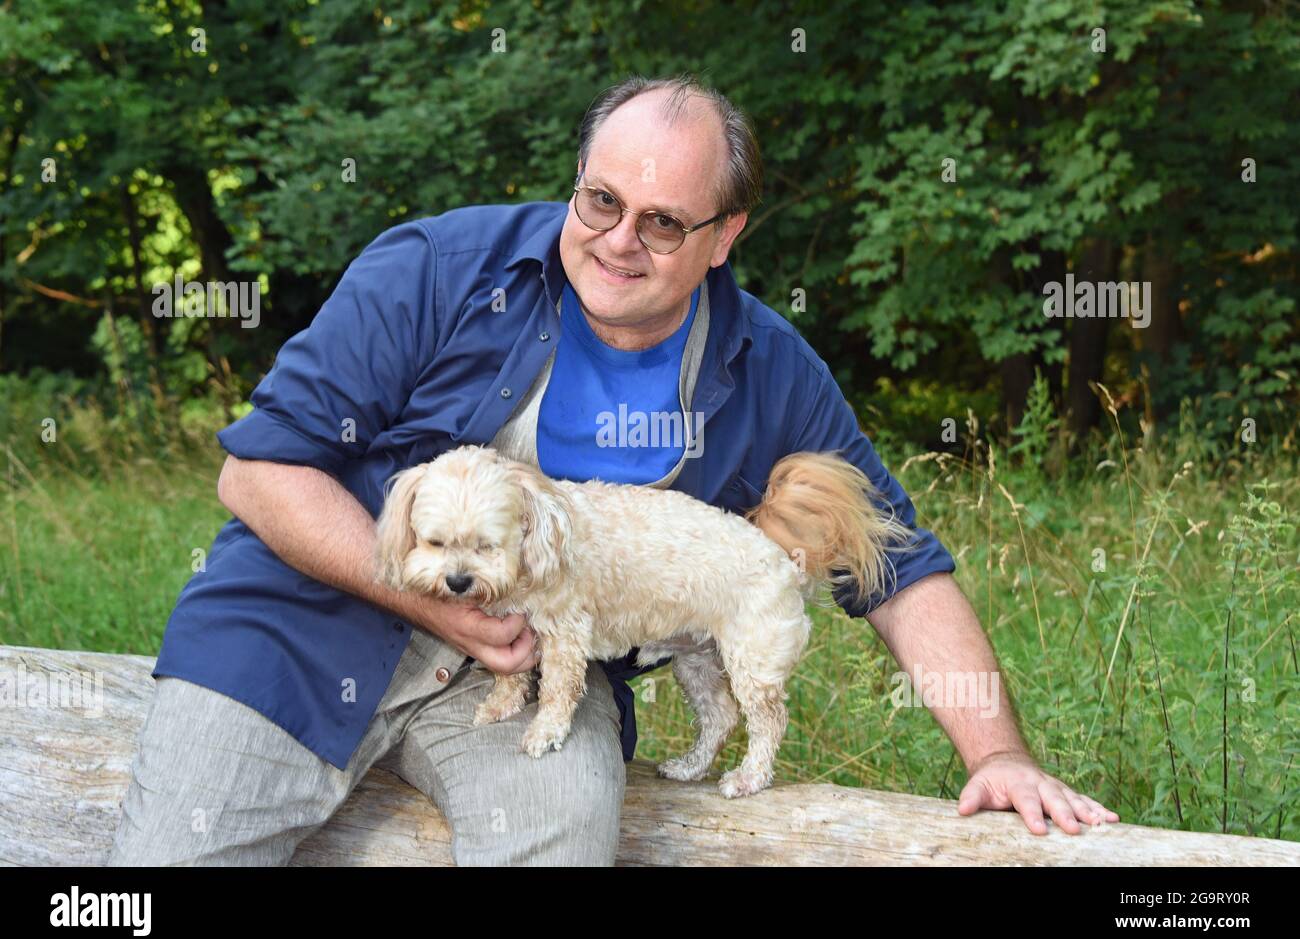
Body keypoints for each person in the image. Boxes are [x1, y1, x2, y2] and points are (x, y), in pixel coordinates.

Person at [108, 73, 1118, 867]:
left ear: (725, 237)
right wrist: (428, 599)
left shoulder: (767, 368)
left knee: (557, 838)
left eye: (664, 221)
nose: (618, 241)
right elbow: (257, 475)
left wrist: (996, 753)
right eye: (600, 199)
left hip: (539, 664)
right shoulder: (432, 268)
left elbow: (897, 568)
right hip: (301, 618)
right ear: (577, 176)